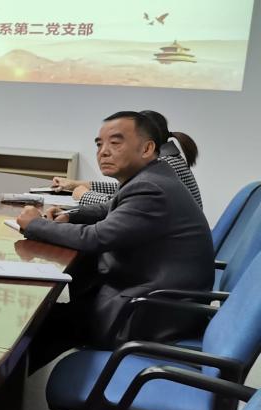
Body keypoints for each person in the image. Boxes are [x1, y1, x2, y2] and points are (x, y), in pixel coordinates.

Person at [16, 111, 214, 372]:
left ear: (147, 148)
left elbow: (96, 238)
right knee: (52, 311)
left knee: (36, 324)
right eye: (99, 144)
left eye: (115, 143)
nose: (103, 152)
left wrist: (36, 225)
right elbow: (108, 209)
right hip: (156, 297)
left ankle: (0, 389)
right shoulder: (153, 176)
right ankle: (8, 384)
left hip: (149, 313)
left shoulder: (151, 189)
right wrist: (70, 215)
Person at [51, 110, 202, 210]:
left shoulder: (165, 166)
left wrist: (84, 195)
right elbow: (125, 190)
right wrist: (77, 184)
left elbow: (123, 205)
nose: (103, 152)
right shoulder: (166, 160)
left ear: (147, 146)